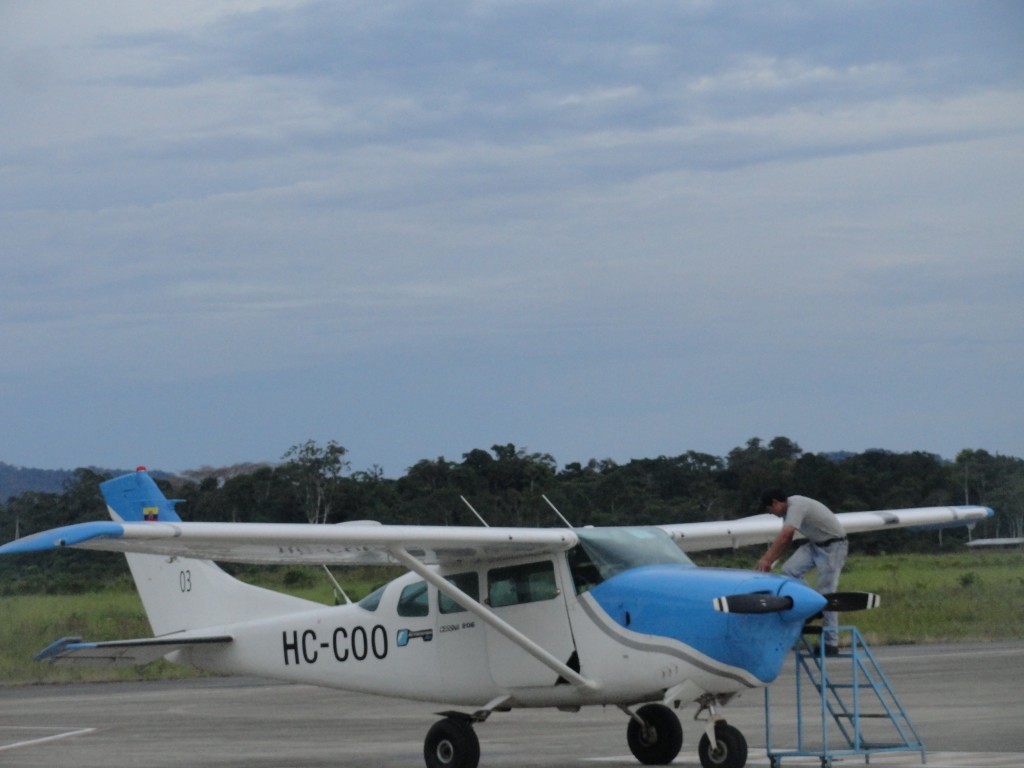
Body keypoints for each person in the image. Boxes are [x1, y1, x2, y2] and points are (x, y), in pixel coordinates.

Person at [755, 489, 847, 655]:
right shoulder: (788, 512)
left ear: (776, 503)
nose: (771, 513)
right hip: (815, 545)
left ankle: (831, 643)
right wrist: (771, 562)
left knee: (827, 594)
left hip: (834, 546)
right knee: (789, 571)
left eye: (769, 510)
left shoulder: (797, 505)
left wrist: (766, 559)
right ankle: (812, 605)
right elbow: (786, 541)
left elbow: (786, 535)